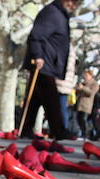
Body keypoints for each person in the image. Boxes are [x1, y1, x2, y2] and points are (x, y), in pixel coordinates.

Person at [21, 0, 79, 140]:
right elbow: (36, 35)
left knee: (35, 98)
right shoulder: (52, 13)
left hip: (49, 62)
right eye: (71, 1)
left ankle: (26, 128)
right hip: (43, 62)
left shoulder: (60, 14)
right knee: (51, 97)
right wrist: (38, 56)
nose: (73, 5)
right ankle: (58, 130)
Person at [74, 70, 99, 139]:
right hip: (79, 104)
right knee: (78, 119)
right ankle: (82, 133)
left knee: (83, 119)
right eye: (84, 75)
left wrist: (83, 88)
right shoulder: (83, 83)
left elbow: (91, 93)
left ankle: (85, 134)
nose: (85, 77)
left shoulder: (94, 84)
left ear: (91, 76)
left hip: (87, 104)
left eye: (87, 75)